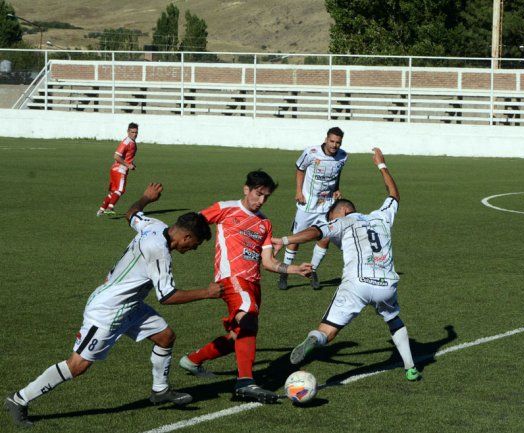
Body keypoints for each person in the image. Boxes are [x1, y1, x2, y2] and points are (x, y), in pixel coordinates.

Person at [4, 183, 221, 428]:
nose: (193, 249)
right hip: (107, 311)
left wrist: (146, 198)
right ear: (186, 236)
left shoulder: (155, 226)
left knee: (165, 336)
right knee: (78, 365)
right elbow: (167, 296)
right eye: (195, 244)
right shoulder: (158, 250)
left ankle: (160, 390)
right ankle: (19, 399)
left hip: (130, 305)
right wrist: (207, 292)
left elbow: (131, 214)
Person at [273, 148, 421, 382]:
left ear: (341, 211)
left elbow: (314, 232)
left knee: (328, 330)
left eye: (332, 216)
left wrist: (285, 240)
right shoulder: (380, 217)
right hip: (386, 284)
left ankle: (316, 339)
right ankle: (410, 367)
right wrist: (381, 165)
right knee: (394, 320)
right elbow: (394, 195)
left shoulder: (344, 221)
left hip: (357, 284)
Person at [178, 170, 312, 403]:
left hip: (253, 284)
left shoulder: (264, 223)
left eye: (266, 197)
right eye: (258, 194)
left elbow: (268, 262)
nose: (260, 201)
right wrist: (168, 241)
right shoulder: (225, 208)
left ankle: (193, 360)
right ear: (246, 189)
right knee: (248, 319)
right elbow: (192, 223)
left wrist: (293, 269)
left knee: (239, 334)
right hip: (231, 278)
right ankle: (245, 382)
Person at [278, 127, 348, 290]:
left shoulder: (343, 156)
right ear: (326, 139)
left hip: (327, 205)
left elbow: (337, 174)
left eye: (338, 142)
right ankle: (285, 272)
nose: (334, 145)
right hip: (307, 204)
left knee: (325, 237)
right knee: (296, 239)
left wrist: (337, 188)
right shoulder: (311, 152)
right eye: (332, 141)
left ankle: (312, 271)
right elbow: (300, 169)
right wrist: (298, 191)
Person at [97, 122, 139, 216]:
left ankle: (101, 210)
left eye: (136, 132)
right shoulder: (126, 142)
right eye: (132, 132)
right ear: (128, 131)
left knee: (114, 192)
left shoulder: (131, 142)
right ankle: (110, 208)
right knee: (120, 190)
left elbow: (126, 157)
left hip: (116, 169)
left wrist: (130, 163)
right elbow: (116, 156)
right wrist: (128, 165)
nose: (135, 134)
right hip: (120, 170)